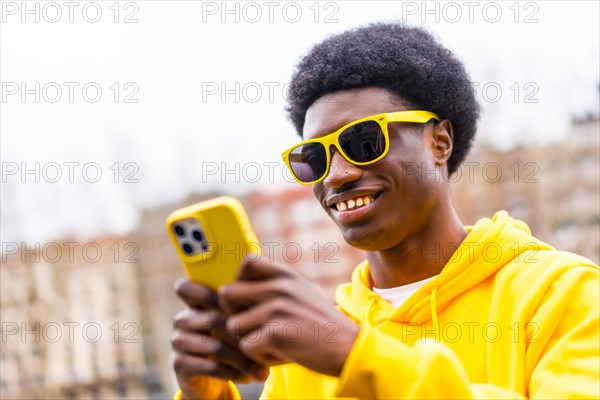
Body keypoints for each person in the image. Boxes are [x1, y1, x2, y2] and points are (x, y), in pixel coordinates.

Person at [171, 23, 600, 399]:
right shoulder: (309, 344)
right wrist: (202, 395)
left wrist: (356, 357)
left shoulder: (565, 295)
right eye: (314, 158)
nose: (337, 175)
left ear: (440, 142)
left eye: (363, 142)